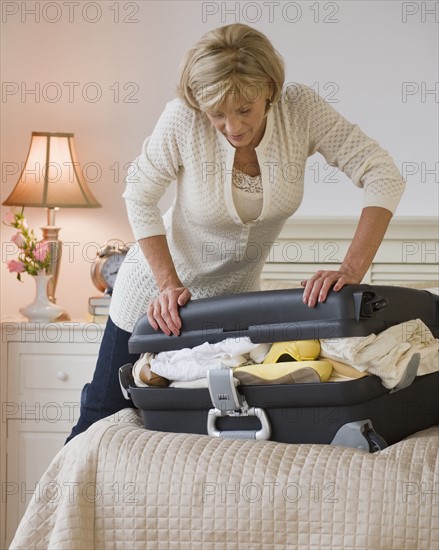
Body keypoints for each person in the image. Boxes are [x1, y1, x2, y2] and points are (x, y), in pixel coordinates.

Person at [66, 23, 404, 442]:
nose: (231, 126)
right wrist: (167, 285)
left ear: (268, 87)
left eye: (244, 108)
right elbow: (138, 193)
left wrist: (351, 269)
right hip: (154, 298)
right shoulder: (183, 119)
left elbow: (383, 174)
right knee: (101, 416)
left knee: (208, 428)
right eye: (217, 114)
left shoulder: (300, 110)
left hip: (231, 308)